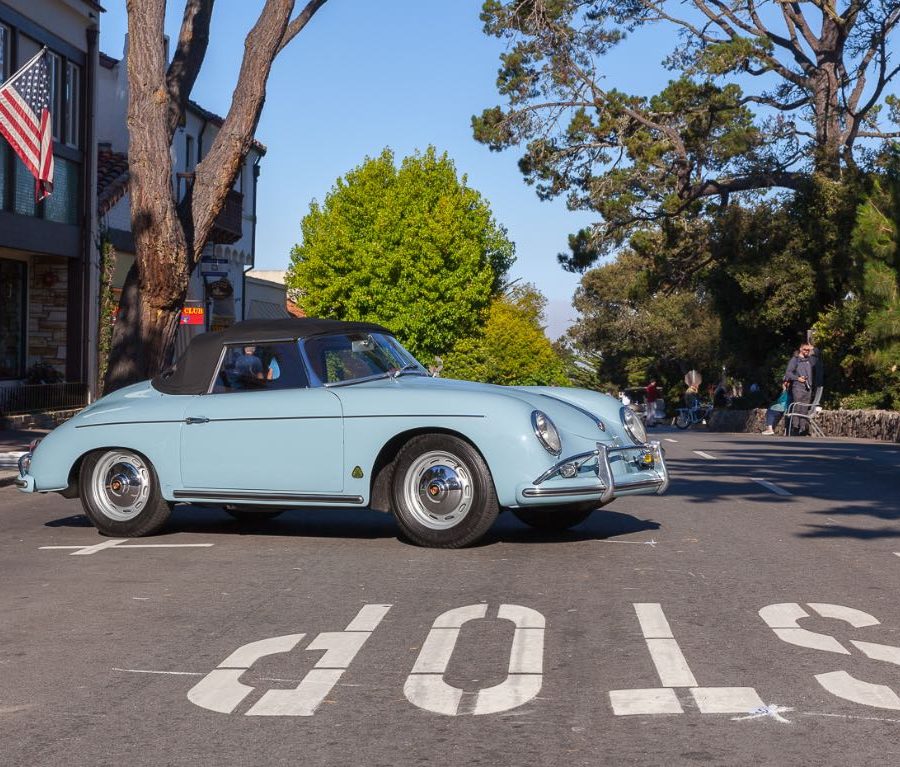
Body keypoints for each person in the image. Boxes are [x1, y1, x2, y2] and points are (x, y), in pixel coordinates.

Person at [784, 342, 819, 435]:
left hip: (808, 387)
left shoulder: (809, 360)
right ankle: (795, 427)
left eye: (808, 350)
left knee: (804, 408)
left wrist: (814, 348)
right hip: (798, 387)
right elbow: (788, 373)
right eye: (805, 349)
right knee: (797, 406)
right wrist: (797, 378)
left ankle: (803, 428)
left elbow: (818, 356)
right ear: (801, 349)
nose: (807, 351)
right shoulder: (795, 360)